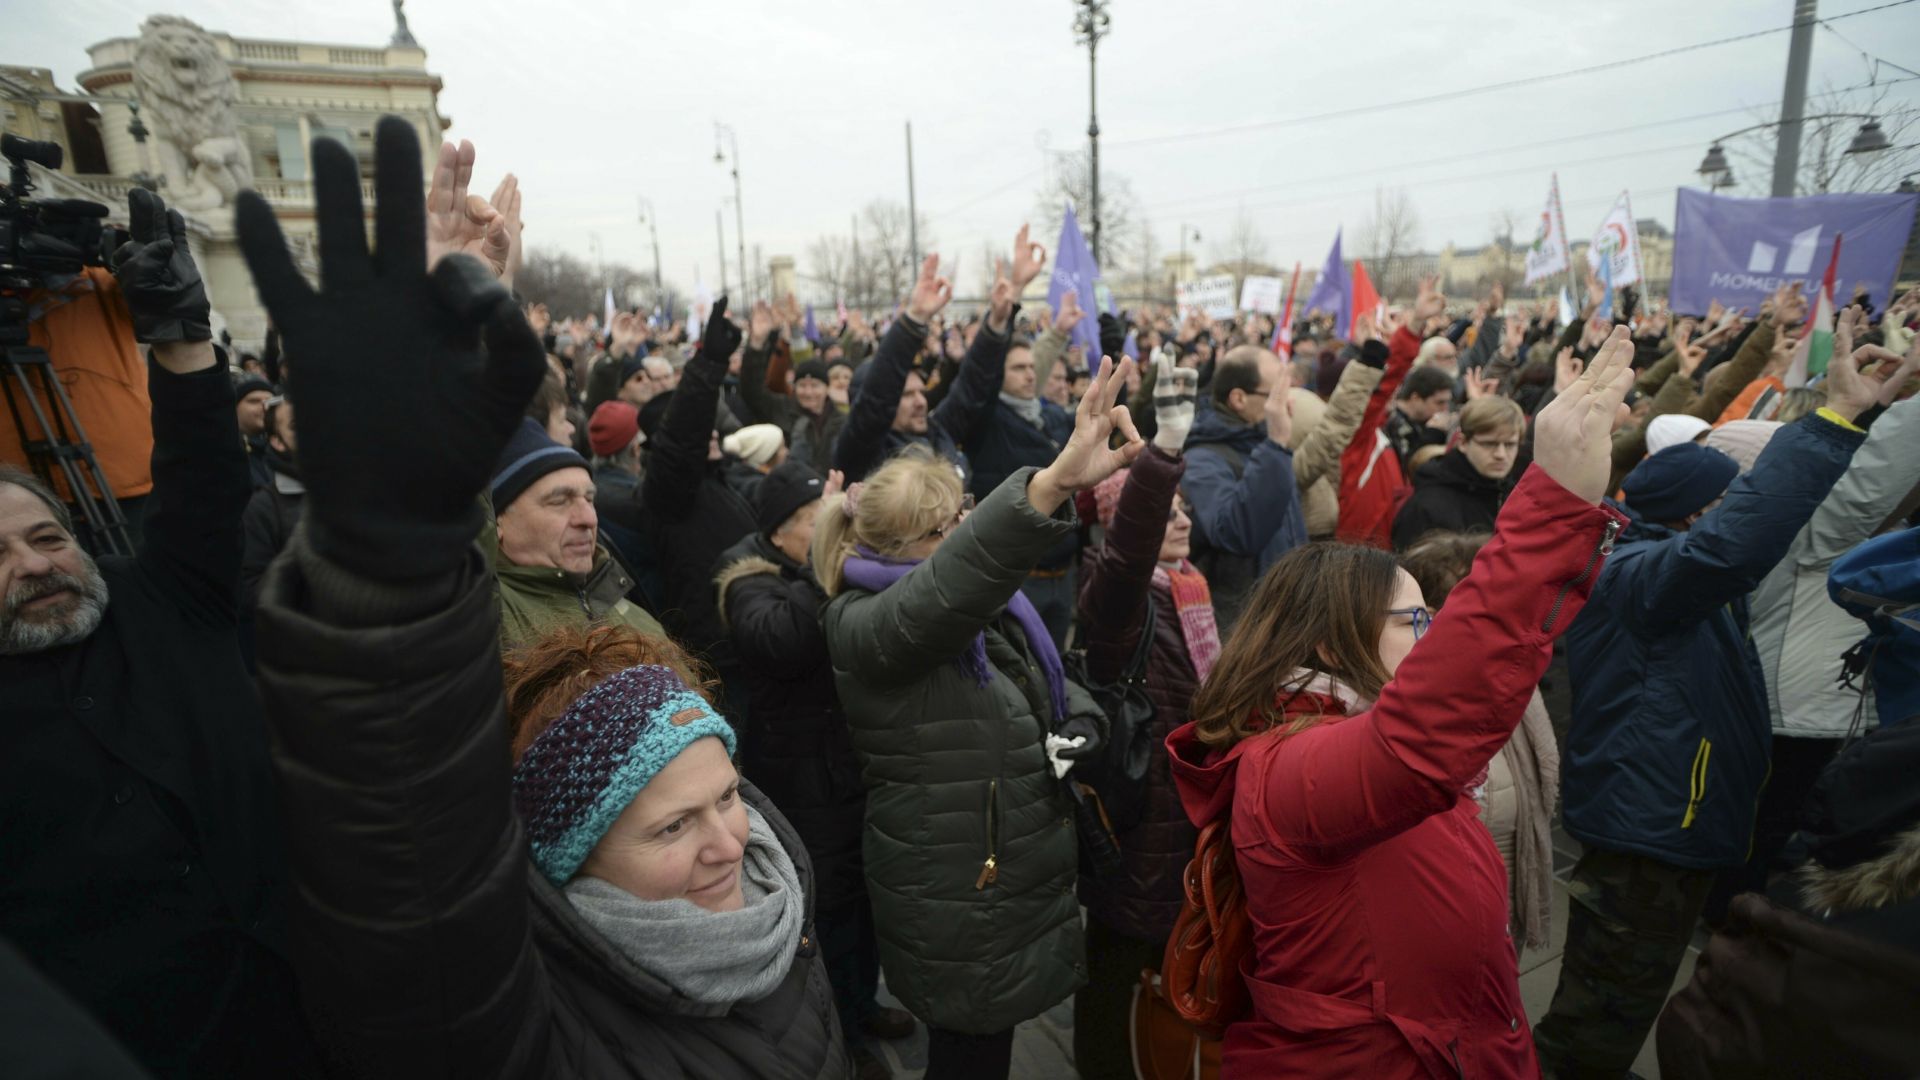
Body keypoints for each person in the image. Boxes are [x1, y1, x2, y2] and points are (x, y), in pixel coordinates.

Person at [236, 114, 848, 1079]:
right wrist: (396, 472)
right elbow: (410, 797)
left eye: (728, 798)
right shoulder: (528, 1022)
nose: (730, 842)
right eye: (671, 826)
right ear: (570, 853)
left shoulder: (781, 906)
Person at [1165, 325, 1639, 1077]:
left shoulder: (1334, 732)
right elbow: (1426, 734)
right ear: (1332, 645)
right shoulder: (1285, 769)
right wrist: (1556, 505)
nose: (1432, 634)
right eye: (1413, 620)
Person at [1533, 326, 1915, 1077]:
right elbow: (1734, 544)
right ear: (1692, 515)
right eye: (1725, 500)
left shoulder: (1656, 567)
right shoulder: (1641, 577)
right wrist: (1835, 419)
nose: (1736, 508)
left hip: (1664, 820)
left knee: (1621, 995)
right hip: (1647, 831)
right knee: (1603, 1009)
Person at [1, 187, 317, 1077]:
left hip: (316, 997)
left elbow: (203, 480)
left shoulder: (163, 600)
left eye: (47, 537)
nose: (33, 565)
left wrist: (180, 338)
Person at [814, 347, 1145, 1080]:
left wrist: (1078, 720)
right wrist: (1052, 483)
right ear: (897, 547)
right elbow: (945, 592)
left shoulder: (975, 605)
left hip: (999, 876)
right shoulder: (866, 623)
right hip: (957, 888)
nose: (963, 531)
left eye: (963, 514)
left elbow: (1031, 676)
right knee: (970, 1057)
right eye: (946, 527)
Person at [713, 461, 914, 1079]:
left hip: (847, 767)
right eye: (813, 521)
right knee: (827, 912)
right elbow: (782, 641)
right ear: (778, 532)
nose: (828, 532)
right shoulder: (748, 580)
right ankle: (843, 1035)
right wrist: (827, 562)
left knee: (863, 900)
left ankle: (864, 1005)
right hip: (801, 778)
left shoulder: (812, 570)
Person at [1071, 358, 1216, 1079]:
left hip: (1183, 815)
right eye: (1166, 510)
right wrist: (1162, 454)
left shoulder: (1190, 587)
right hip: (1140, 821)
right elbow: (1128, 553)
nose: (1182, 518)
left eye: (1183, 507)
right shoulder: (1115, 599)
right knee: (1117, 971)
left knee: (1162, 966)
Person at [1399, 529, 1561, 954]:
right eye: (1489, 612)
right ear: (1430, 619)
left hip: (1502, 909)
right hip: (1439, 927)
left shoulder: (1514, 683)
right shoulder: (1410, 709)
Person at [960, 229, 1072, 643]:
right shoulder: (987, 421)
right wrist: (1010, 305)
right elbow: (980, 376)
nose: (1030, 375)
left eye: (1031, 368)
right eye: (1018, 369)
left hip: (1063, 574)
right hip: (1016, 579)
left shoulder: (1051, 418)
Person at [490, 417, 665, 650]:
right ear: (497, 521)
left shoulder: (637, 618)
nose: (589, 519)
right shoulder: (484, 619)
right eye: (559, 501)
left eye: (589, 499)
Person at [831, 254, 1007, 485]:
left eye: (921, 392)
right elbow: (876, 401)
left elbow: (970, 388)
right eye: (906, 395)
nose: (921, 402)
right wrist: (914, 319)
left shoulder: (938, 432)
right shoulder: (863, 453)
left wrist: (996, 324)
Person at [1180, 343, 1306, 631]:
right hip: (1242, 623)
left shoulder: (1264, 447)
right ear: (1238, 398)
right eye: (1275, 395)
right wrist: (1276, 443)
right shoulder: (1202, 459)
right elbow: (1235, 532)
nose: (1286, 405)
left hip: (1284, 612)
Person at [1390, 395, 1524, 550]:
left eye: (1510, 445)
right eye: (1489, 444)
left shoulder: (1513, 495)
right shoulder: (1427, 507)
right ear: (1463, 442)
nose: (1501, 454)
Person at [240, 394, 302, 611]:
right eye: (296, 426)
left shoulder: (355, 487)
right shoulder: (261, 508)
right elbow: (254, 591)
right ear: (277, 441)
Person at [1382, 364, 1453, 470]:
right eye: (1440, 403)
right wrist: (1433, 433)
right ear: (1416, 398)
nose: (1445, 409)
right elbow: (1407, 466)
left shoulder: (1420, 420)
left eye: (1447, 402)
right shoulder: (1392, 423)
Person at [234, 369, 276, 488]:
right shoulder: (226, 452)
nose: (265, 407)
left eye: (270, 401)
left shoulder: (285, 447)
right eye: (254, 401)